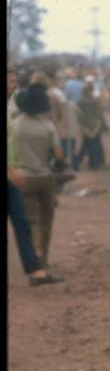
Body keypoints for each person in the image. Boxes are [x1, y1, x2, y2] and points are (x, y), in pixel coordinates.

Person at [7, 68, 64, 286]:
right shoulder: (47, 126)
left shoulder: (15, 124)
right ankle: (42, 261)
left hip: (22, 177)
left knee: (30, 221)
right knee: (46, 220)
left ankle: (36, 259)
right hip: (44, 177)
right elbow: (58, 153)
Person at [74, 78, 106, 171]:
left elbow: (78, 115)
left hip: (85, 125)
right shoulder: (94, 100)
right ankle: (95, 163)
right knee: (94, 144)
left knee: (86, 144)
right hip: (94, 125)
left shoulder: (79, 101)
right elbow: (98, 113)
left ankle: (78, 162)